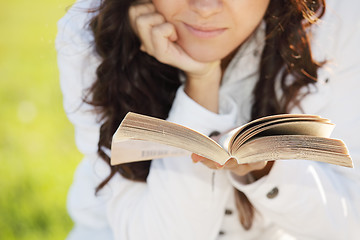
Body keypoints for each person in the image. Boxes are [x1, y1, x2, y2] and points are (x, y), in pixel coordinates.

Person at [56, 0, 360, 239]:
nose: (205, 7)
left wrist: (269, 170)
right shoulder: (90, 30)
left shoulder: (338, 20)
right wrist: (201, 82)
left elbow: (350, 224)